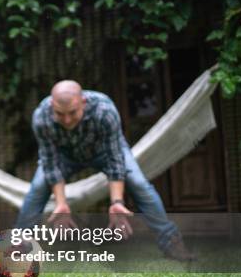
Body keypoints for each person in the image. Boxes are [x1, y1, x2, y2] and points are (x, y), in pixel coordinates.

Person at [16, 80, 196, 261]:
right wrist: (61, 204)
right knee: (38, 188)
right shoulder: (41, 117)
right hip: (65, 157)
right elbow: (50, 164)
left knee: (140, 184)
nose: (67, 120)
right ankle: (17, 248)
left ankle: (172, 243)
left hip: (105, 151)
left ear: (83, 103)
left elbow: (115, 159)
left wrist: (116, 201)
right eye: (60, 114)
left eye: (72, 113)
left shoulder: (105, 110)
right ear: (51, 105)